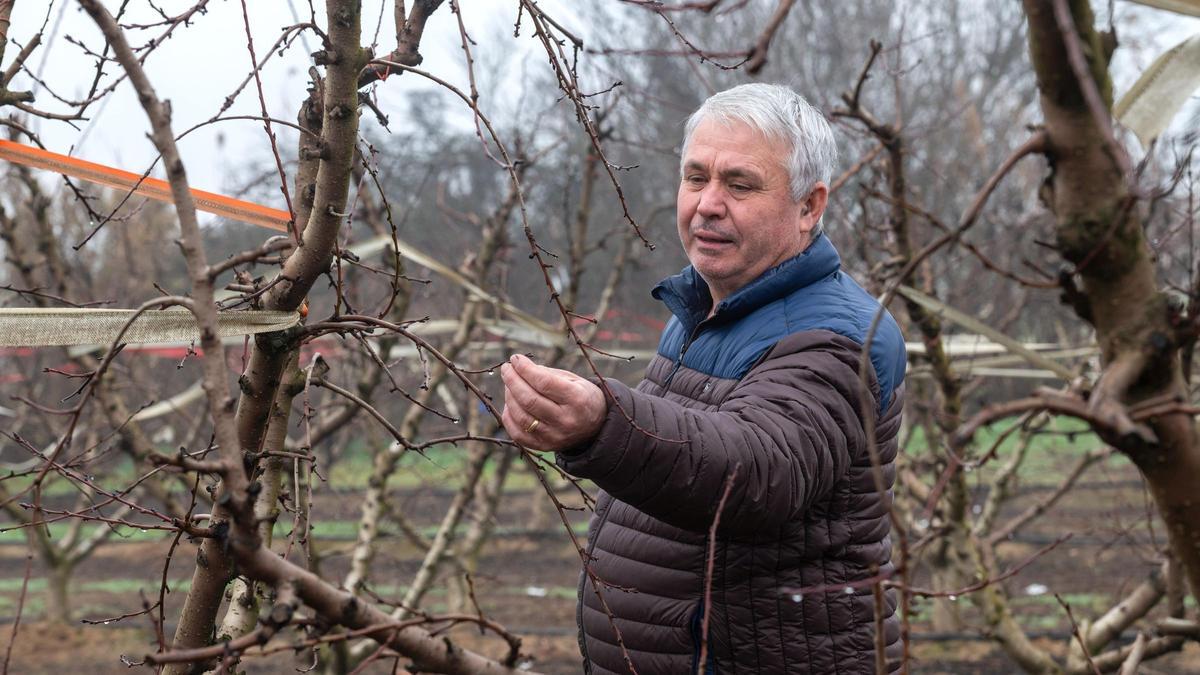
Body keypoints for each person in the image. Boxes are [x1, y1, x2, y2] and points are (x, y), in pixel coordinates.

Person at [500, 83, 906, 675]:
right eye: (696, 178)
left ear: (809, 206)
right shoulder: (709, 308)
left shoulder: (836, 336)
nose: (708, 204)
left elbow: (757, 471)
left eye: (739, 185)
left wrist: (602, 424)